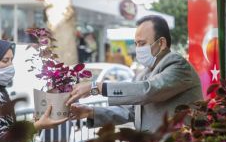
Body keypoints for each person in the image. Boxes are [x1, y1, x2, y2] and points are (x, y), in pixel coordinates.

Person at [66, 15, 203, 133]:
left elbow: (148, 91)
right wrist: (90, 112)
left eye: (142, 43)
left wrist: (96, 87)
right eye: (136, 44)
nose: (138, 49)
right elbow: (131, 111)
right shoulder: (145, 73)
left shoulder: (178, 65)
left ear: (161, 43)